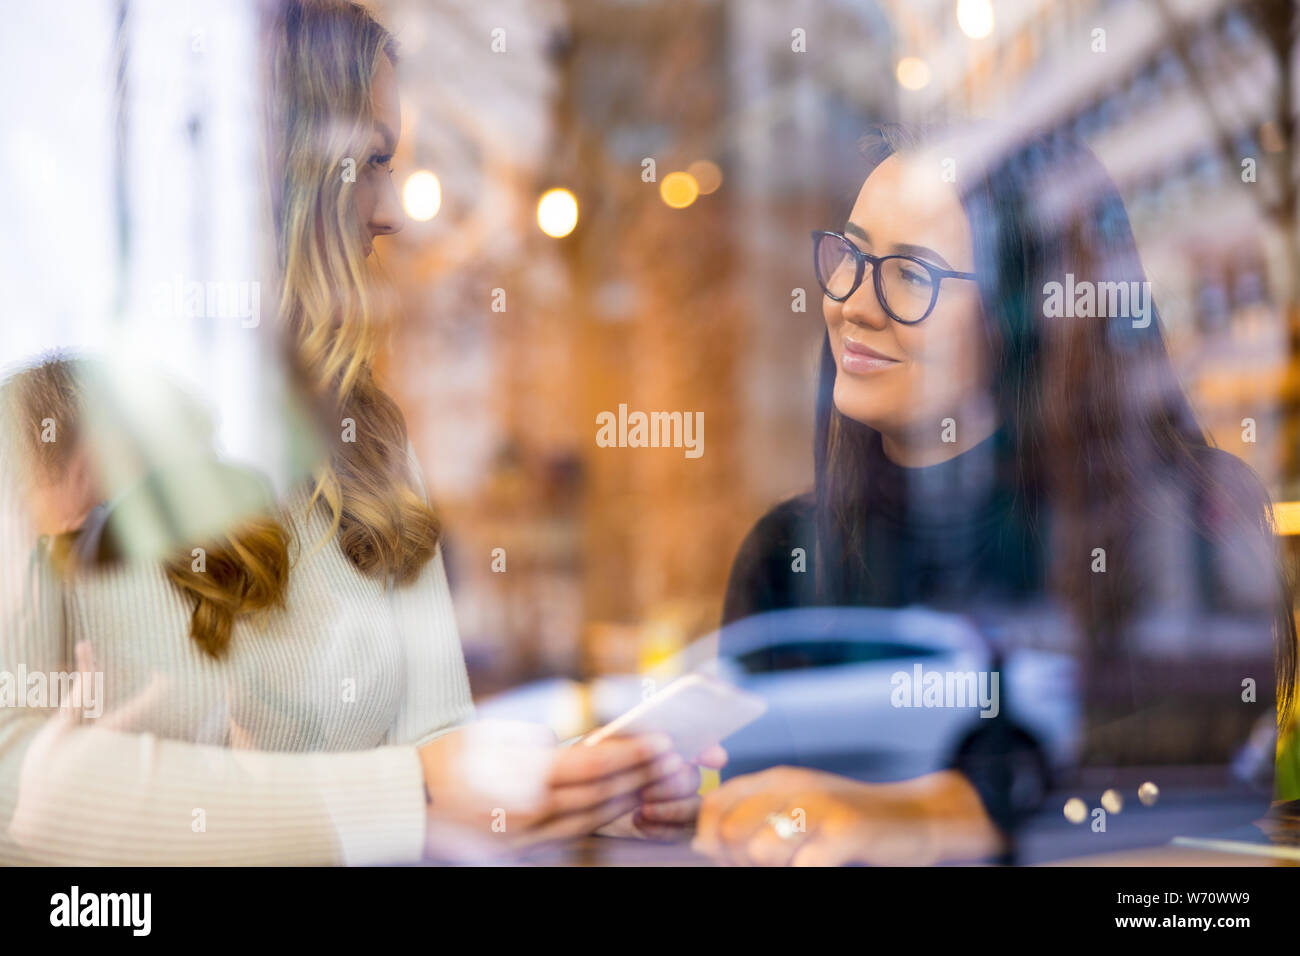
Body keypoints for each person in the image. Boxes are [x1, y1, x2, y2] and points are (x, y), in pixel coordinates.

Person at [0, 0, 715, 865]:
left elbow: (440, 745)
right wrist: (409, 794)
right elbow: (17, 779)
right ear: (280, 166)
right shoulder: (39, 426)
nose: (393, 214)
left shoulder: (371, 439)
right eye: (371, 161)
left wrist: (584, 789)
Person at [693, 123, 1296, 866]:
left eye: (911, 275)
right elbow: (739, 791)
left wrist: (956, 813)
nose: (853, 300)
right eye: (849, 256)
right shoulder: (785, 553)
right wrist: (655, 790)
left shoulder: (1191, 515)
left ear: (1019, 314)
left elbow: (1223, 778)